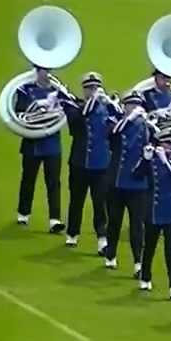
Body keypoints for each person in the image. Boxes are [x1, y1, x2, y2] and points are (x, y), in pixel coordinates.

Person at [60, 72, 118, 251]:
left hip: (101, 164)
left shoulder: (107, 107)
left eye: (96, 87)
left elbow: (119, 123)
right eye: (89, 88)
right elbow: (77, 121)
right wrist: (93, 101)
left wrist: (112, 104)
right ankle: (72, 233)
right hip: (79, 162)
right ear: (83, 90)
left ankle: (102, 237)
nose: (93, 91)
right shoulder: (73, 106)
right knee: (76, 200)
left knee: (100, 202)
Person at [135, 130, 171, 299]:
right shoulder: (152, 161)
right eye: (168, 144)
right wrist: (145, 159)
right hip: (153, 211)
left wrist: (164, 160)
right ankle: (145, 276)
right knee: (149, 246)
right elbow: (136, 175)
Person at [13, 64, 67, 233]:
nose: (47, 74)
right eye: (43, 70)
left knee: (53, 182)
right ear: (36, 71)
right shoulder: (25, 90)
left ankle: (54, 219)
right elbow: (20, 112)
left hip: (52, 143)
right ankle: (23, 213)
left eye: (49, 70)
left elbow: (67, 111)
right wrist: (41, 107)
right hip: (32, 141)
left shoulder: (59, 91)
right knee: (28, 179)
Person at [104, 95, 151, 273]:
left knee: (137, 225)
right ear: (124, 107)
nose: (134, 108)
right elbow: (113, 133)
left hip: (138, 184)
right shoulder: (115, 121)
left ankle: (138, 262)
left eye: (137, 105)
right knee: (114, 221)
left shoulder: (146, 126)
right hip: (116, 181)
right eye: (130, 105)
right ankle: (111, 254)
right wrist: (129, 118)